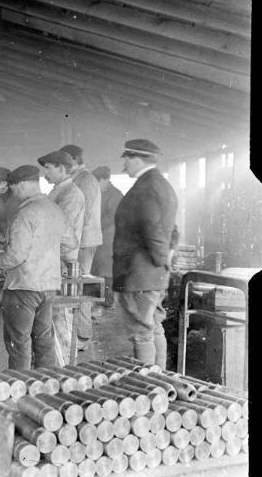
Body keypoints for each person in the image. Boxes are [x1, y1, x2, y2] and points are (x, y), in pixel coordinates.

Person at [0, 166, 77, 370]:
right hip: (49, 286)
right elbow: (70, 243)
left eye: (14, 189)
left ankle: (20, 390)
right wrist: (48, 254)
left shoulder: (26, 214)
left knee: (19, 343)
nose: (15, 194)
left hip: (23, 286)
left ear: (21, 185)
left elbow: (16, 255)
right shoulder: (55, 209)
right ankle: (45, 386)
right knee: (44, 340)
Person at [113, 139, 178, 369]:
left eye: (127, 161)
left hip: (138, 274)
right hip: (152, 274)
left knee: (141, 332)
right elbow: (172, 229)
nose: (124, 167)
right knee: (154, 326)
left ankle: (149, 387)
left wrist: (160, 259)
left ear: (136, 159)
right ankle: (160, 380)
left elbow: (151, 228)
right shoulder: (162, 185)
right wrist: (166, 258)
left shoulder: (145, 188)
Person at [38, 150, 85, 362]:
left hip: (62, 264)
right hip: (51, 263)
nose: (45, 173)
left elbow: (61, 233)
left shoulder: (71, 194)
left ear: (62, 168)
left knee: (62, 321)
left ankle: (67, 371)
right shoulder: (57, 191)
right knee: (52, 320)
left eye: (48, 168)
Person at [59, 145, 102, 351]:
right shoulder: (81, 178)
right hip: (81, 240)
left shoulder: (85, 180)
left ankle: (83, 335)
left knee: (79, 285)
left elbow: (81, 217)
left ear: (74, 160)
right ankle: (79, 333)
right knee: (76, 285)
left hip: (83, 241)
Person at [91, 166, 123, 309]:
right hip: (100, 241)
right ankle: (101, 305)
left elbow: (111, 218)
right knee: (99, 274)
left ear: (105, 180)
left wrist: (92, 224)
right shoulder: (100, 193)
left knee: (107, 275)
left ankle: (107, 306)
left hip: (109, 241)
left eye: (97, 181)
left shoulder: (115, 195)